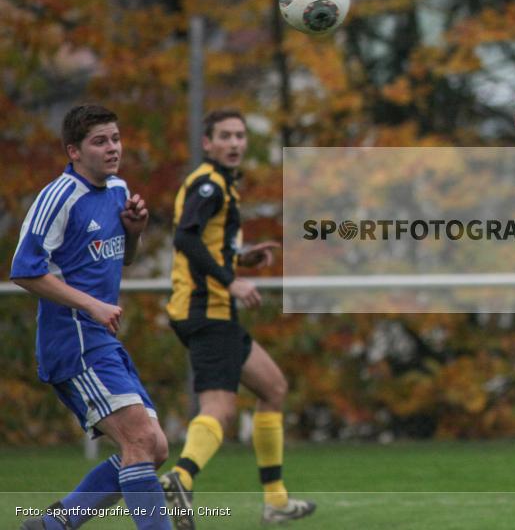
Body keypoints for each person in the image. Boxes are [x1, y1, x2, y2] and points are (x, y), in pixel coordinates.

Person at [11, 105, 172, 530]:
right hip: (73, 341)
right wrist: (90, 304)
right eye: (100, 141)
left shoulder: (119, 190)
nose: (112, 148)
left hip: (101, 339)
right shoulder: (58, 197)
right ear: (74, 151)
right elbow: (24, 270)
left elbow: (126, 260)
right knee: (139, 439)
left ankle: (53, 525)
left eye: (115, 138)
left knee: (154, 448)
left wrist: (135, 233)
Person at [160, 110, 315, 529]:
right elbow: (185, 237)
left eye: (240, 136)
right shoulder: (209, 184)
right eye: (225, 136)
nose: (235, 143)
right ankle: (181, 478)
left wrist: (241, 257)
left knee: (274, 386)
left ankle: (276, 502)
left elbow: (202, 240)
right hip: (206, 311)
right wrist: (231, 280)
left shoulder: (221, 185)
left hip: (210, 311)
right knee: (220, 409)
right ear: (207, 143)